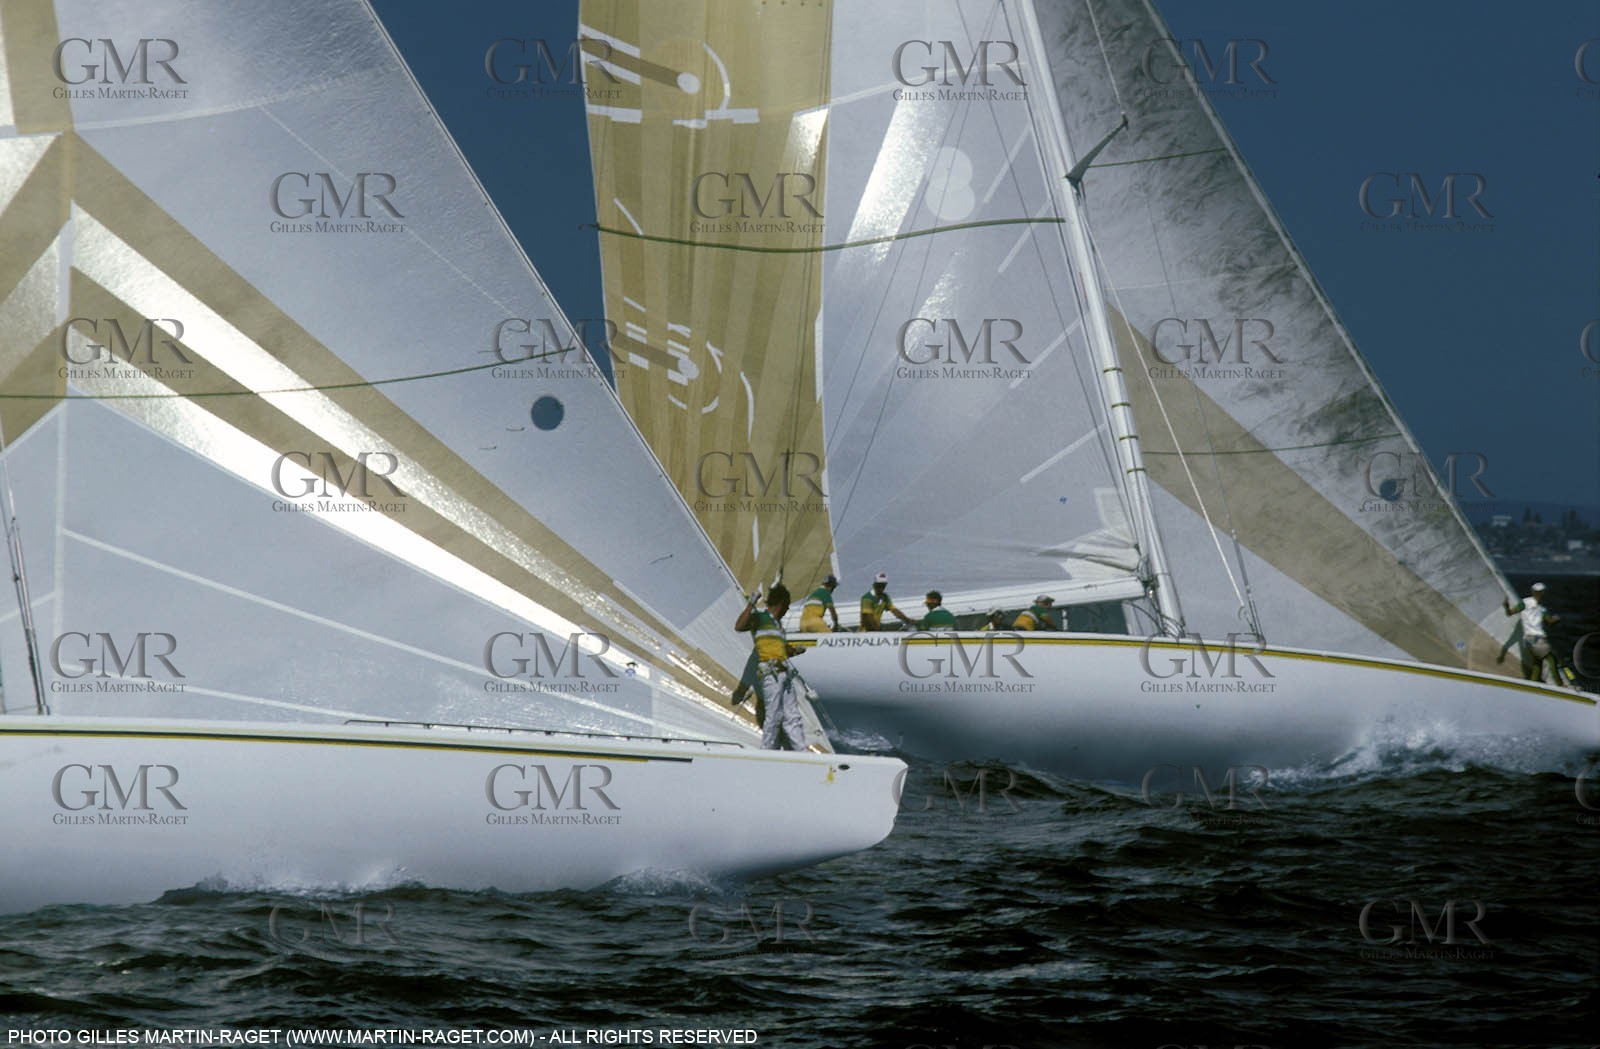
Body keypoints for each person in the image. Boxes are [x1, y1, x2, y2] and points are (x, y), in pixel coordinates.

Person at [734, 584, 811, 750]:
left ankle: (801, 751)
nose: (787, 610)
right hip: (771, 675)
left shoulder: (778, 626)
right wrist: (751, 604)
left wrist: (795, 650)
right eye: (787, 606)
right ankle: (767, 750)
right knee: (774, 714)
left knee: (792, 716)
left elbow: (782, 649)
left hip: (784, 674)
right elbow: (739, 626)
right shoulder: (760, 618)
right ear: (782, 604)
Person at [1503, 582, 1561, 684]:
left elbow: (1510, 613)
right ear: (1542, 593)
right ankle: (1560, 685)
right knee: (1551, 659)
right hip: (1536, 638)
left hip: (1529, 639)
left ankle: (1532, 684)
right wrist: (1557, 619)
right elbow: (1550, 621)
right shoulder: (1529, 604)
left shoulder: (1537, 607)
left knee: (1537, 663)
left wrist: (1506, 607)